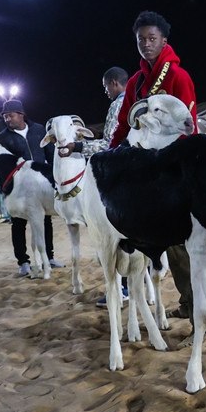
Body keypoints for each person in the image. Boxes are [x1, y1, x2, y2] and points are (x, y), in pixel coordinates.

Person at [108, 11, 206, 336]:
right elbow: (125, 123)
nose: (146, 44)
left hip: (175, 174)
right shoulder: (136, 83)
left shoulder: (178, 76)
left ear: (164, 41)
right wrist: (111, 156)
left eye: (152, 39)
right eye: (141, 40)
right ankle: (186, 303)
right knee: (162, 246)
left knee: (183, 248)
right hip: (147, 176)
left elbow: (189, 127)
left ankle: (205, 322)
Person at [0, 99, 62, 276]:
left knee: (46, 220)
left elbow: (50, 154)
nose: (7, 119)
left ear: (21, 114)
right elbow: (3, 164)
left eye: (10, 115)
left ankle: (49, 256)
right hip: (18, 188)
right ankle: (23, 261)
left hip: (42, 183)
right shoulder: (3, 138)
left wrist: (55, 175)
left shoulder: (39, 130)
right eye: (5, 117)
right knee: (18, 223)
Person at [91, 66, 130, 308]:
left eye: (106, 87)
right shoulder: (137, 99)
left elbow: (108, 144)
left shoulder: (118, 104)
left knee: (116, 236)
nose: (106, 92)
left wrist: (77, 147)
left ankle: (122, 288)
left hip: (120, 174)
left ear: (115, 83)